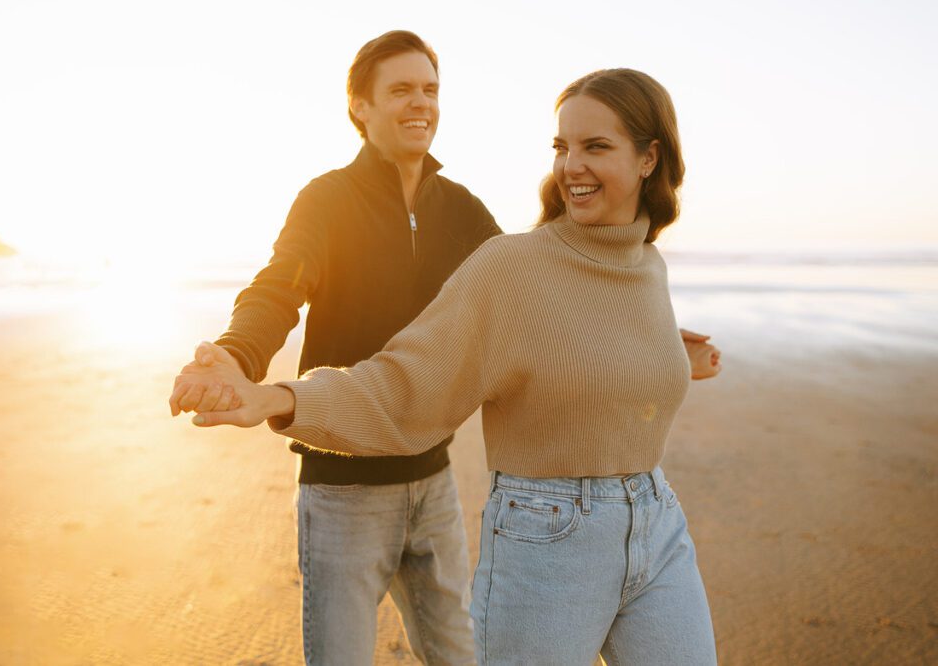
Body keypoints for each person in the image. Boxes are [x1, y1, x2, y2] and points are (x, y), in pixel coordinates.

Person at [171, 49, 720, 665]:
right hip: (365, 481)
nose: (420, 103)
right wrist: (247, 368)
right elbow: (290, 295)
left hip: (480, 489)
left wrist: (655, 355)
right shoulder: (332, 202)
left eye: (430, 88)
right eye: (402, 89)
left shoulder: (475, 215)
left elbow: (555, 307)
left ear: (650, 158)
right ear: (360, 106)